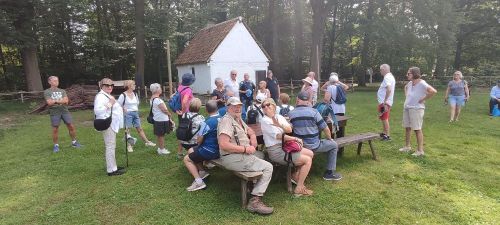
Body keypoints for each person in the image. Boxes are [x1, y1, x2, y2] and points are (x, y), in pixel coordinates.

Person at [217, 97, 274, 215]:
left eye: (239, 106)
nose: (237, 108)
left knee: (261, 154)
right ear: (228, 107)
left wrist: (253, 137)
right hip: (232, 157)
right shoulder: (226, 121)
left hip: (240, 155)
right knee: (269, 167)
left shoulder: (238, 118)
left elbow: (250, 130)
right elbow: (223, 144)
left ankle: (251, 185)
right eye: (234, 106)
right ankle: (254, 201)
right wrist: (245, 149)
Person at [260, 98, 314, 196]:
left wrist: (278, 123)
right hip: (276, 150)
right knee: (307, 160)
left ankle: (295, 175)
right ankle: (299, 188)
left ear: (274, 106)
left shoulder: (279, 117)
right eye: (263, 106)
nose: (266, 107)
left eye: (268, 105)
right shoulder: (264, 120)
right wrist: (295, 139)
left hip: (285, 146)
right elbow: (278, 136)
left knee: (310, 153)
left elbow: (289, 129)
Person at [289, 91, 342, 181]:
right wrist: (330, 139)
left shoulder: (291, 113)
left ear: (297, 100)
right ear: (308, 101)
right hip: (314, 146)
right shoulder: (314, 112)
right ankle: (329, 173)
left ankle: (297, 172)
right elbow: (325, 129)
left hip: (301, 147)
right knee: (334, 145)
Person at [183, 100, 221, 191]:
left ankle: (199, 182)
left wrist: (199, 143)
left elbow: (199, 140)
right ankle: (202, 172)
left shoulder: (206, 123)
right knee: (191, 151)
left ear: (206, 110)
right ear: (217, 109)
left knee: (186, 159)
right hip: (221, 149)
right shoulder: (222, 118)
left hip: (211, 151)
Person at [399, 67, 437, 156]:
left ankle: (420, 151)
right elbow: (405, 88)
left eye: (409, 73)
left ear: (415, 74)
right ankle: (407, 146)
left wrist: (423, 99)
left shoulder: (422, 83)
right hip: (407, 107)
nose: (407, 75)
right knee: (407, 128)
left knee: (417, 129)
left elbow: (433, 91)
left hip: (416, 109)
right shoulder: (410, 83)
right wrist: (408, 97)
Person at [94, 78, 125, 176]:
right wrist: (110, 104)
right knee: (110, 146)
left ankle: (113, 166)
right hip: (108, 124)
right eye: (107, 86)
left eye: (111, 85)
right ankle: (111, 170)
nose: (109, 87)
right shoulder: (100, 97)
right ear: (101, 86)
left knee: (111, 146)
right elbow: (98, 111)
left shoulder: (106, 95)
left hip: (112, 123)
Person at [44, 76, 82, 152]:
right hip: (55, 112)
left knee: (71, 126)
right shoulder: (47, 92)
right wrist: (60, 100)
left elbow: (66, 101)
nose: (56, 82)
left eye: (57, 80)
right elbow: (49, 102)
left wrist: (55, 101)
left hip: (64, 111)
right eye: (54, 81)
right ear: (49, 82)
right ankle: (56, 145)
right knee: (55, 129)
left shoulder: (62, 91)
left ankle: (74, 142)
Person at [117, 80, 156, 152]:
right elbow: (117, 105)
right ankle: (129, 146)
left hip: (135, 113)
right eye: (133, 84)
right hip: (127, 114)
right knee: (128, 130)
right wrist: (123, 108)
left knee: (139, 129)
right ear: (129, 86)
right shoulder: (123, 95)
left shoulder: (135, 94)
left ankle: (147, 142)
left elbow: (137, 103)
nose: (135, 85)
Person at [150, 83, 175, 155]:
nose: (161, 89)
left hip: (157, 119)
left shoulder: (152, 98)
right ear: (157, 90)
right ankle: (162, 149)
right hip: (161, 120)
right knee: (161, 135)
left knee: (159, 135)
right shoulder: (157, 100)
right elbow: (164, 110)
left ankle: (160, 148)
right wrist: (170, 114)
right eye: (160, 88)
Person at [323, 73, 349, 140]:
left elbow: (326, 99)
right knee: (341, 124)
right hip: (342, 108)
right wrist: (339, 82)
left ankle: (332, 140)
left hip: (333, 109)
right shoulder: (340, 87)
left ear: (330, 80)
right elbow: (347, 87)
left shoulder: (330, 87)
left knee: (332, 124)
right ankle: (340, 139)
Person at [176, 73, 195, 158]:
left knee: (181, 132)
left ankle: (179, 152)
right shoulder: (188, 90)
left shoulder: (180, 87)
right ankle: (191, 151)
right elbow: (184, 101)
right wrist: (184, 113)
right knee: (190, 131)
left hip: (181, 112)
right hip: (187, 114)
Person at [377, 64, 396, 140]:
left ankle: (387, 135)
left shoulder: (387, 77)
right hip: (385, 101)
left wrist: (385, 102)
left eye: (381, 69)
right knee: (383, 117)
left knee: (385, 118)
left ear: (384, 69)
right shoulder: (390, 76)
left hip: (385, 102)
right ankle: (384, 132)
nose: (380, 71)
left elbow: (389, 89)